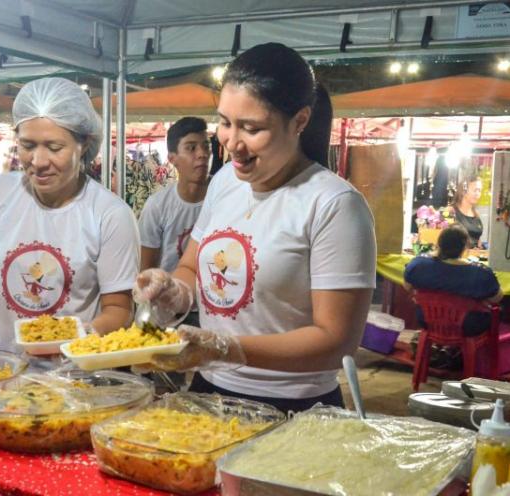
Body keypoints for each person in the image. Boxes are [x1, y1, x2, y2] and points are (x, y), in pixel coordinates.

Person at [133, 42, 377, 413]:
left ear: (300, 121)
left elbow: (337, 341)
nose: (232, 144)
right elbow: (191, 266)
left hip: (295, 406)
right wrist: (175, 291)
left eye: (252, 128)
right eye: (225, 123)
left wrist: (226, 347)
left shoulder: (333, 204)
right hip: (208, 389)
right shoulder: (225, 183)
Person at [0, 77, 139, 350]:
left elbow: (119, 309)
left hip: (70, 381)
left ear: (84, 144)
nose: (39, 162)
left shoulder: (110, 215)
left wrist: (77, 337)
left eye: (54, 147)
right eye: (28, 146)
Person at [139, 117, 210, 274]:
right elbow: (146, 270)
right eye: (191, 148)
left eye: (206, 146)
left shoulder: (223, 199)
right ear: (172, 159)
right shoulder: (157, 206)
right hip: (168, 295)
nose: (202, 154)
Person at [404, 224, 502, 336]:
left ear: (439, 244)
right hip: (467, 326)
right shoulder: (481, 273)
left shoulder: (418, 264)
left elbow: (407, 287)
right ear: (465, 246)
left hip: (427, 320)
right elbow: (497, 298)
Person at [451, 174, 484, 248]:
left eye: (480, 191)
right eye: (475, 190)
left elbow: (477, 239)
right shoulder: (451, 212)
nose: (478, 194)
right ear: (463, 191)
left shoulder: (476, 215)